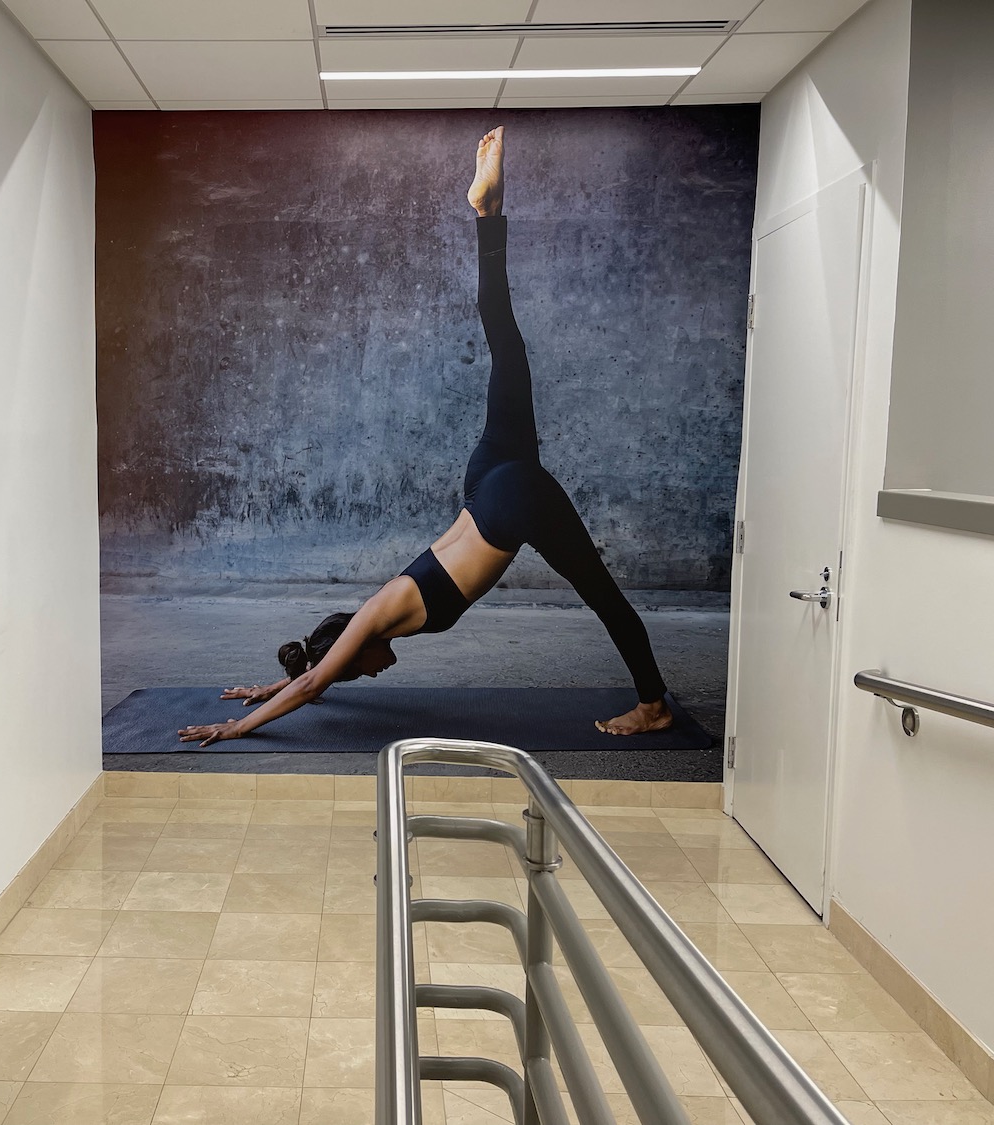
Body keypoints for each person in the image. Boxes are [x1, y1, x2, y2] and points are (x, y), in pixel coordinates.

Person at [178, 127, 671, 747]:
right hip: (487, 475)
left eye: (360, 674)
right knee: (505, 347)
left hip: (510, 498)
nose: (376, 674)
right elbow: (316, 677)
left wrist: (237, 726)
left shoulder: (379, 618)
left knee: (605, 598)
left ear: (352, 657)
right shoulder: (371, 616)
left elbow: (314, 686)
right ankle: (487, 217)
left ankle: (654, 706)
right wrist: (272, 685)